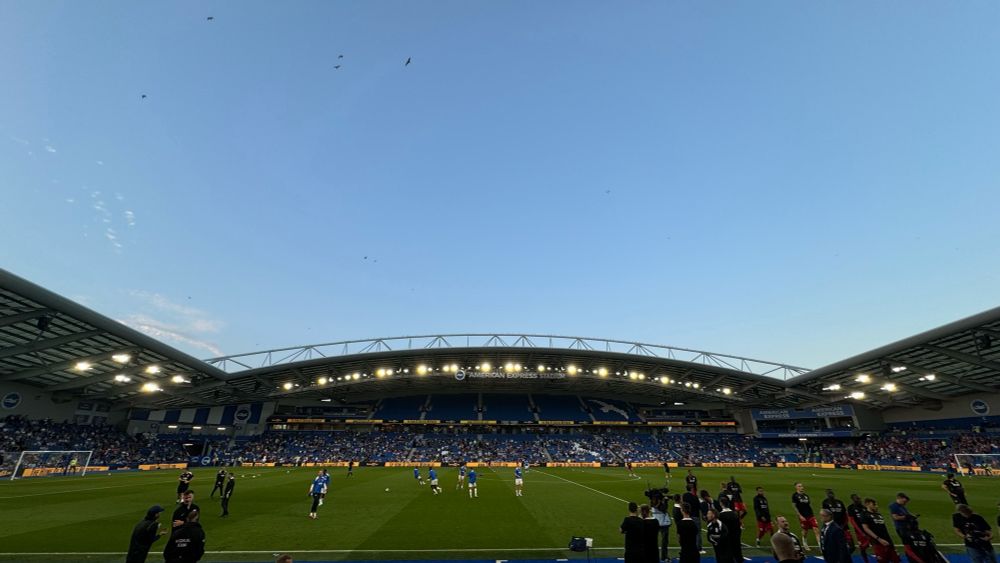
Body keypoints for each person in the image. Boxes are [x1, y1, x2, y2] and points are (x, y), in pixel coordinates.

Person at [860, 497, 901, 563]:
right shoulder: (864, 514)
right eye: (874, 504)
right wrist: (879, 539)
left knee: (896, 560)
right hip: (878, 542)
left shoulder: (878, 514)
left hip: (888, 541)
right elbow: (866, 528)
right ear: (867, 504)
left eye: (876, 504)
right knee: (883, 561)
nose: (876, 506)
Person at [791, 482, 821, 550]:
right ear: (796, 487)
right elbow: (794, 506)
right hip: (803, 516)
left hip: (810, 515)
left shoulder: (806, 496)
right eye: (799, 486)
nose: (801, 487)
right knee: (805, 530)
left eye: (801, 486)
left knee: (816, 529)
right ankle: (804, 542)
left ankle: (820, 546)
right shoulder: (795, 496)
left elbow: (808, 505)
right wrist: (800, 516)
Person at [847, 493, 873, 563]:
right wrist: (861, 532)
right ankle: (866, 561)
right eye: (857, 499)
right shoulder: (850, 508)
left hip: (868, 529)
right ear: (853, 499)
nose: (859, 500)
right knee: (862, 548)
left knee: (872, 543)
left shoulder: (863, 507)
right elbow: (852, 521)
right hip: (859, 532)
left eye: (859, 498)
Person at [718, 496, 743, 563]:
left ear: (721, 503)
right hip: (735, 538)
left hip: (726, 540)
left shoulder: (721, 515)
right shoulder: (735, 514)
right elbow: (739, 528)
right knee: (737, 555)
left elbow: (721, 530)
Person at [652, 492, 672, 562]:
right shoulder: (660, 505)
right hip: (663, 524)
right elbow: (664, 509)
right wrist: (665, 501)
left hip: (655, 524)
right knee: (664, 542)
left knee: (653, 541)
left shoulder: (652, 503)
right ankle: (664, 557)